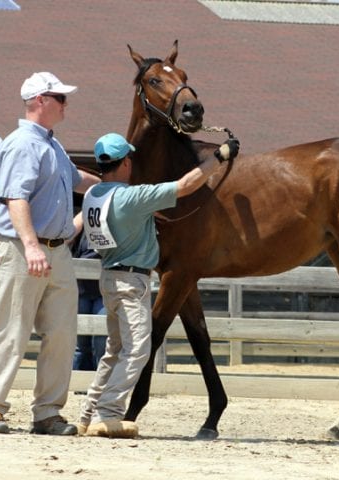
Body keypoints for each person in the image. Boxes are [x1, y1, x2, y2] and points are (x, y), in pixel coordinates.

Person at [78, 133, 238, 438]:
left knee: (114, 350)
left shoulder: (94, 196)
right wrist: (219, 157)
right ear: (125, 162)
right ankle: (108, 412)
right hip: (131, 281)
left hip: (109, 278)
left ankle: (88, 413)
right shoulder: (131, 197)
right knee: (138, 349)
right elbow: (185, 186)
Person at [0, 72, 99, 435]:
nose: (66, 103)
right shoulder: (22, 144)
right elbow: (15, 197)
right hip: (23, 250)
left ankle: (48, 412)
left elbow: (74, 178)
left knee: (62, 335)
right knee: (10, 331)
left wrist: (114, 184)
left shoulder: (51, 145)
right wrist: (31, 245)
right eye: (61, 97)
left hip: (57, 251)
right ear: (42, 100)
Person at [71, 231, 106, 371]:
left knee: (101, 341)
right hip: (81, 289)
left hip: (104, 291)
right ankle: (79, 383)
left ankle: (100, 383)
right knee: (80, 344)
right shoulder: (81, 227)